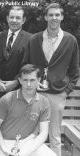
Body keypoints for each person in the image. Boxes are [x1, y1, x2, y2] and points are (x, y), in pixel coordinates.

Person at [22, 3, 79, 156]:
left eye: (57, 15)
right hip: (35, 94)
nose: (54, 18)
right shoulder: (34, 39)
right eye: (51, 15)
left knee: (54, 135)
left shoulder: (70, 40)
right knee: (31, 133)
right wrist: (31, 85)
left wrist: (66, 92)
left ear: (62, 17)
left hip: (57, 95)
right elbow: (26, 65)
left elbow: (75, 70)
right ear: (46, 17)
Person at [0, 64, 56, 156]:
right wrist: (3, 147)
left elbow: (43, 132)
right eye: (25, 80)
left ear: (38, 80)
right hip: (6, 143)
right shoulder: (6, 99)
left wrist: (26, 151)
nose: (28, 84)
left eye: (32, 80)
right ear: (19, 80)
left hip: (29, 142)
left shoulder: (44, 102)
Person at [0, 5, 31, 103]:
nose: (14, 20)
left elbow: (30, 65)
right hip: (0, 89)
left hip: (21, 90)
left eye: (18, 18)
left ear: (23, 20)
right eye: (12, 17)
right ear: (7, 19)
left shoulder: (30, 39)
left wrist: (16, 82)